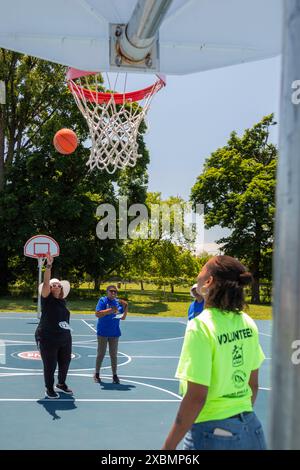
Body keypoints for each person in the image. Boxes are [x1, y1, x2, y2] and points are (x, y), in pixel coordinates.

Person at [162, 255, 266, 450]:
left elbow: (196, 397)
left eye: (201, 270)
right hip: (251, 429)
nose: (197, 275)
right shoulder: (247, 322)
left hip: (213, 432)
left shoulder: (200, 327)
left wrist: (167, 448)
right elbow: (253, 385)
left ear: (209, 281)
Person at [35, 253, 73, 399]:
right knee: (50, 365)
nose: (56, 286)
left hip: (64, 337)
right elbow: (45, 284)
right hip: (48, 337)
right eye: (53, 285)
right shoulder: (47, 299)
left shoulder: (63, 301)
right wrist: (49, 266)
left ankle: (61, 384)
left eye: (58, 284)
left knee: (65, 363)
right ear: (49, 288)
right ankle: (49, 388)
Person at [94, 285, 128, 384]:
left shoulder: (118, 303)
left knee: (113, 355)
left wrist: (126, 307)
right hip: (103, 332)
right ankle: (97, 374)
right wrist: (110, 310)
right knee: (101, 354)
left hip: (114, 332)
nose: (113, 293)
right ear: (107, 292)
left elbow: (123, 318)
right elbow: (97, 314)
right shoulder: (103, 301)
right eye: (111, 291)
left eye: (115, 292)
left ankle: (114, 375)